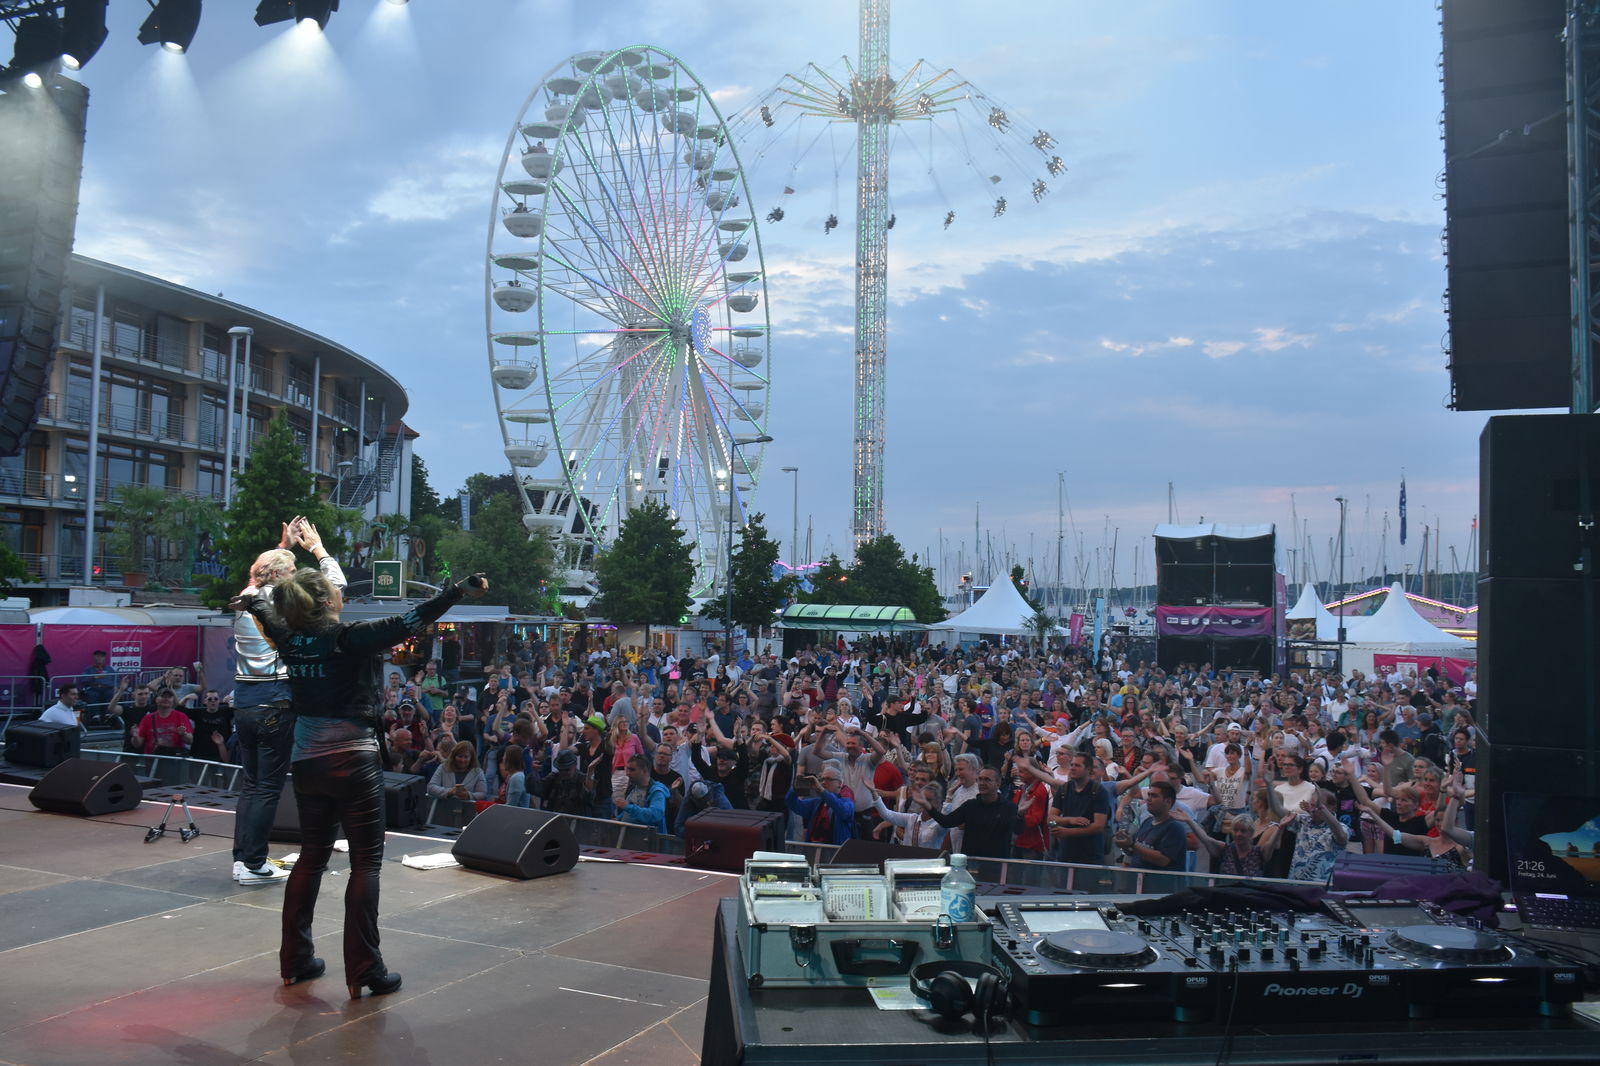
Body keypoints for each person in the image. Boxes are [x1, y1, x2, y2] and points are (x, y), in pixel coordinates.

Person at [238, 566, 489, 998]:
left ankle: (294, 961)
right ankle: (364, 969)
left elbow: (265, 608)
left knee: (310, 857)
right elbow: (413, 618)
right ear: (328, 601)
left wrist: (253, 597)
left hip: (307, 764)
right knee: (365, 864)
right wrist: (458, 589)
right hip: (353, 761)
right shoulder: (349, 637)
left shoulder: (288, 638)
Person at [231, 519, 346, 885]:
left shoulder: (245, 599)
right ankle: (252, 865)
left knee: (251, 785)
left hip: (245, 702)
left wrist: (284, 548)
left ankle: (244, 860)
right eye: (292, 571)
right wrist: (318, 549)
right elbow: (335, 589)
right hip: (276, 701)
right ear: (282, 578)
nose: (297, 575)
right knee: (268, 786)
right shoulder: (284, 606)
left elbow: (258, 576)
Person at [615, 753, 669, 833]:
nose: (627, 773)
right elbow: (629, 813)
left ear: (645, 771)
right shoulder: (632, 787)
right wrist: (618, 819)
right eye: (627, 769)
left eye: (632, 770)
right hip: (629, 839)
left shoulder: (657, 792)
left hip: (648, 841)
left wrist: (627, 806)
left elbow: (654, 815)